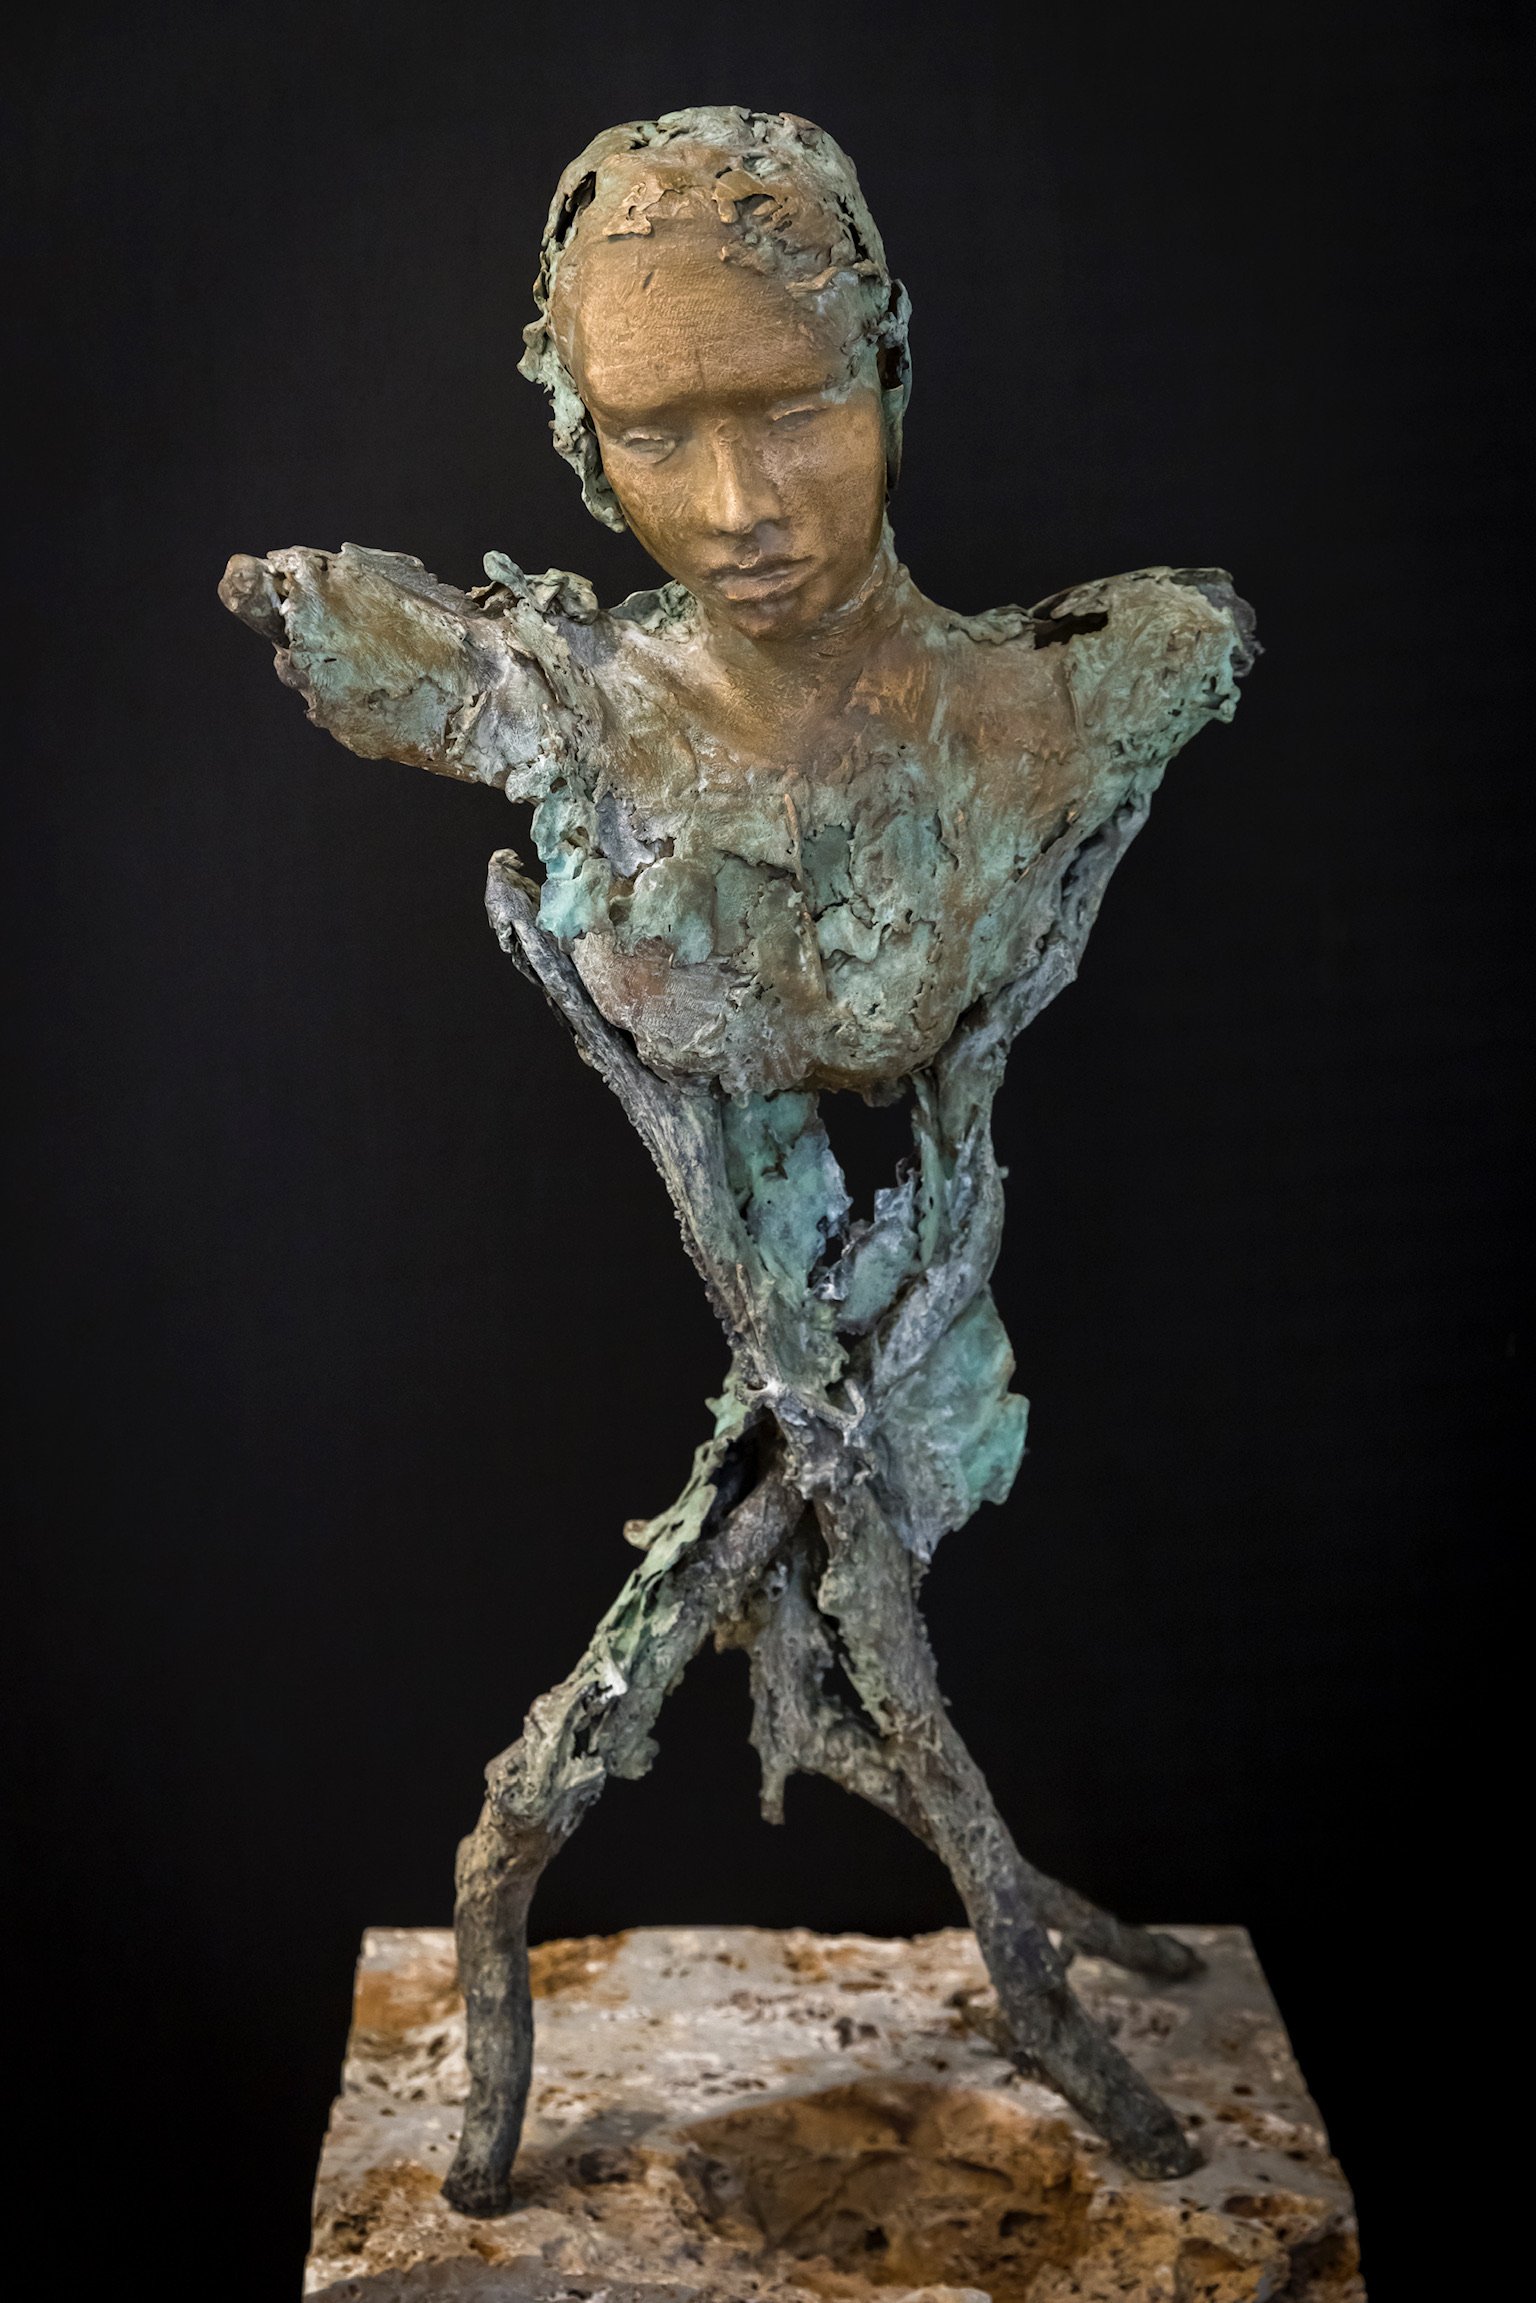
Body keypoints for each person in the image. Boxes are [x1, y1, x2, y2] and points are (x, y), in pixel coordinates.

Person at [222, 105, 1254, 1102]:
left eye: (795, 412)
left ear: (889, 374)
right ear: (585, 444)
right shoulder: (555, 709)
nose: (736, 509)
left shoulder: (1079, 694)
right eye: (651, 437)